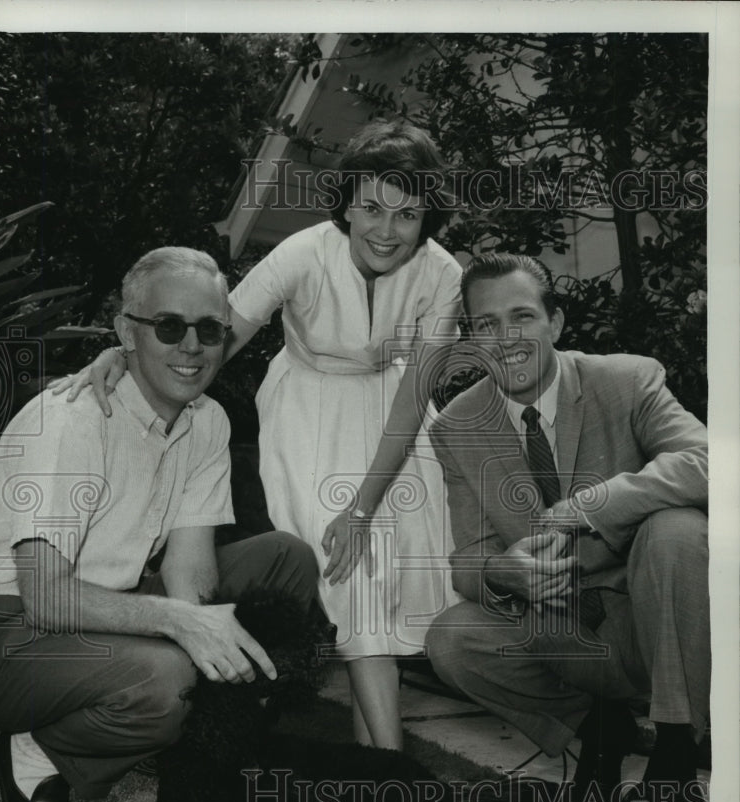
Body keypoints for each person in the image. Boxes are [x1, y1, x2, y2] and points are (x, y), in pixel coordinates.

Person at [55, 123, 463, 751]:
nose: (386, 229)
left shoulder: (441, 273)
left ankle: (377, 765)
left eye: (407, 214)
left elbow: (415, 398)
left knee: (386, 585)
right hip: (310, 415)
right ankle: (389, 767)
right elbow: (215, 337)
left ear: (425, 216)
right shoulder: (302, 253)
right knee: (350, 579)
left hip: (396, 422)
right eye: (372, 207)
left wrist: (364, 504)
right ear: (348, 202)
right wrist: (128, 354)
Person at [0, 247, 318, 802]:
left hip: (105, 608)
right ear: (126, 332)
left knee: (284, 558)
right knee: (167, 680)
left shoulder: (208, 420)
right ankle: (38, 752)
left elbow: (190, 575)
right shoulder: (72, 423)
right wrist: (180, 628)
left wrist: (206, 635)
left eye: (210, 329)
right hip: (5, 629)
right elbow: (43, 596)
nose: (191, 346)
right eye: (169, 326)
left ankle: (204, 749)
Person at [426, 251, 710, 802]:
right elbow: (469, 558)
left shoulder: (627, 380)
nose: (507, 338)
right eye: (486, 325)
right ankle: (598, 734)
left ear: (555, 324)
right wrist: (505, 572)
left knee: (677, 528)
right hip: (563, 629)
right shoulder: (458, 424)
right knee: (453, 638)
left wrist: (589, 506)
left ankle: (676, 768)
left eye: (522, 316)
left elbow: (712, 463)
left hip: (658, 620)